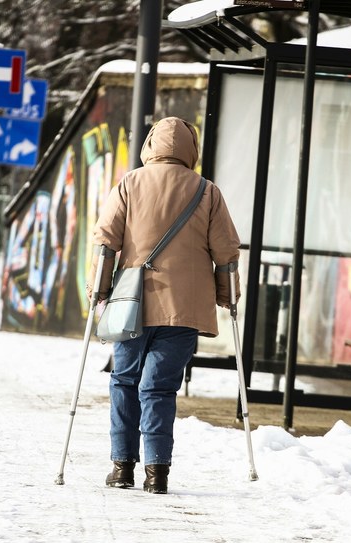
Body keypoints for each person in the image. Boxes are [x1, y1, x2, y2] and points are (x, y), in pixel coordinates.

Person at [88, 117, 241, 494]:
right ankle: (157, 473)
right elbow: (227, 253)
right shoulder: (207, 192)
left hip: (131, 305)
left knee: (124, 380)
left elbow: (106, 241)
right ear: (192, 149)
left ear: (150, 145)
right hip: (184, 309)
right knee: (159, 388)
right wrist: (227, 297)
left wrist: (99, 291)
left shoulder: (129, 183)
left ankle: (121, 465)